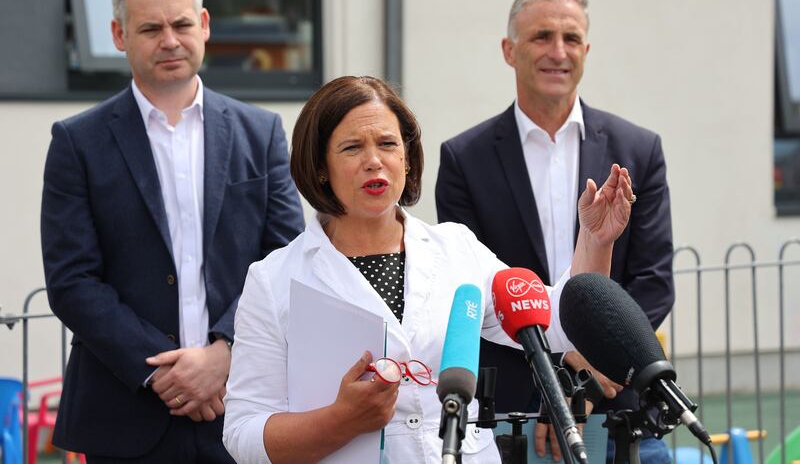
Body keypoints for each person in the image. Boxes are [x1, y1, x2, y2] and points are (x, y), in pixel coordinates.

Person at [222, 75, 636, 464]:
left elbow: (556, 325)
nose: (373, 161)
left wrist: (596, 240)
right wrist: (339, 420)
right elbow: (244, 432)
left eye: (387, 144)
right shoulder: (274, 279)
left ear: (406, 158)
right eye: (351, 148)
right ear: (319, 168)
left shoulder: (455, 248)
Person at [40, 0, 304, 463]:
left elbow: (287, 258)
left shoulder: (261, 132)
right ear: (119, 36)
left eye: (182, 23)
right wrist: (164, 371)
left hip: (243, 404)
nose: (169, 40)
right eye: (149, 28)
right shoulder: (77, 142)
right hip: (125, 411)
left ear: (204, 25)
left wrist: (223, 354)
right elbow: (72, 280)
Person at [435, 0, 674, 462]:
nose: (557, 52)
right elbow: (471, 289)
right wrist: (557, 370)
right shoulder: (465, 158)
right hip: (514, 413)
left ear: (586, 50)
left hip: (618, 401)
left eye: (571, 38)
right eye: (542, 36)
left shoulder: (638, 149)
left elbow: (652, 279)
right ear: (509, 51)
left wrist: (592, 364)